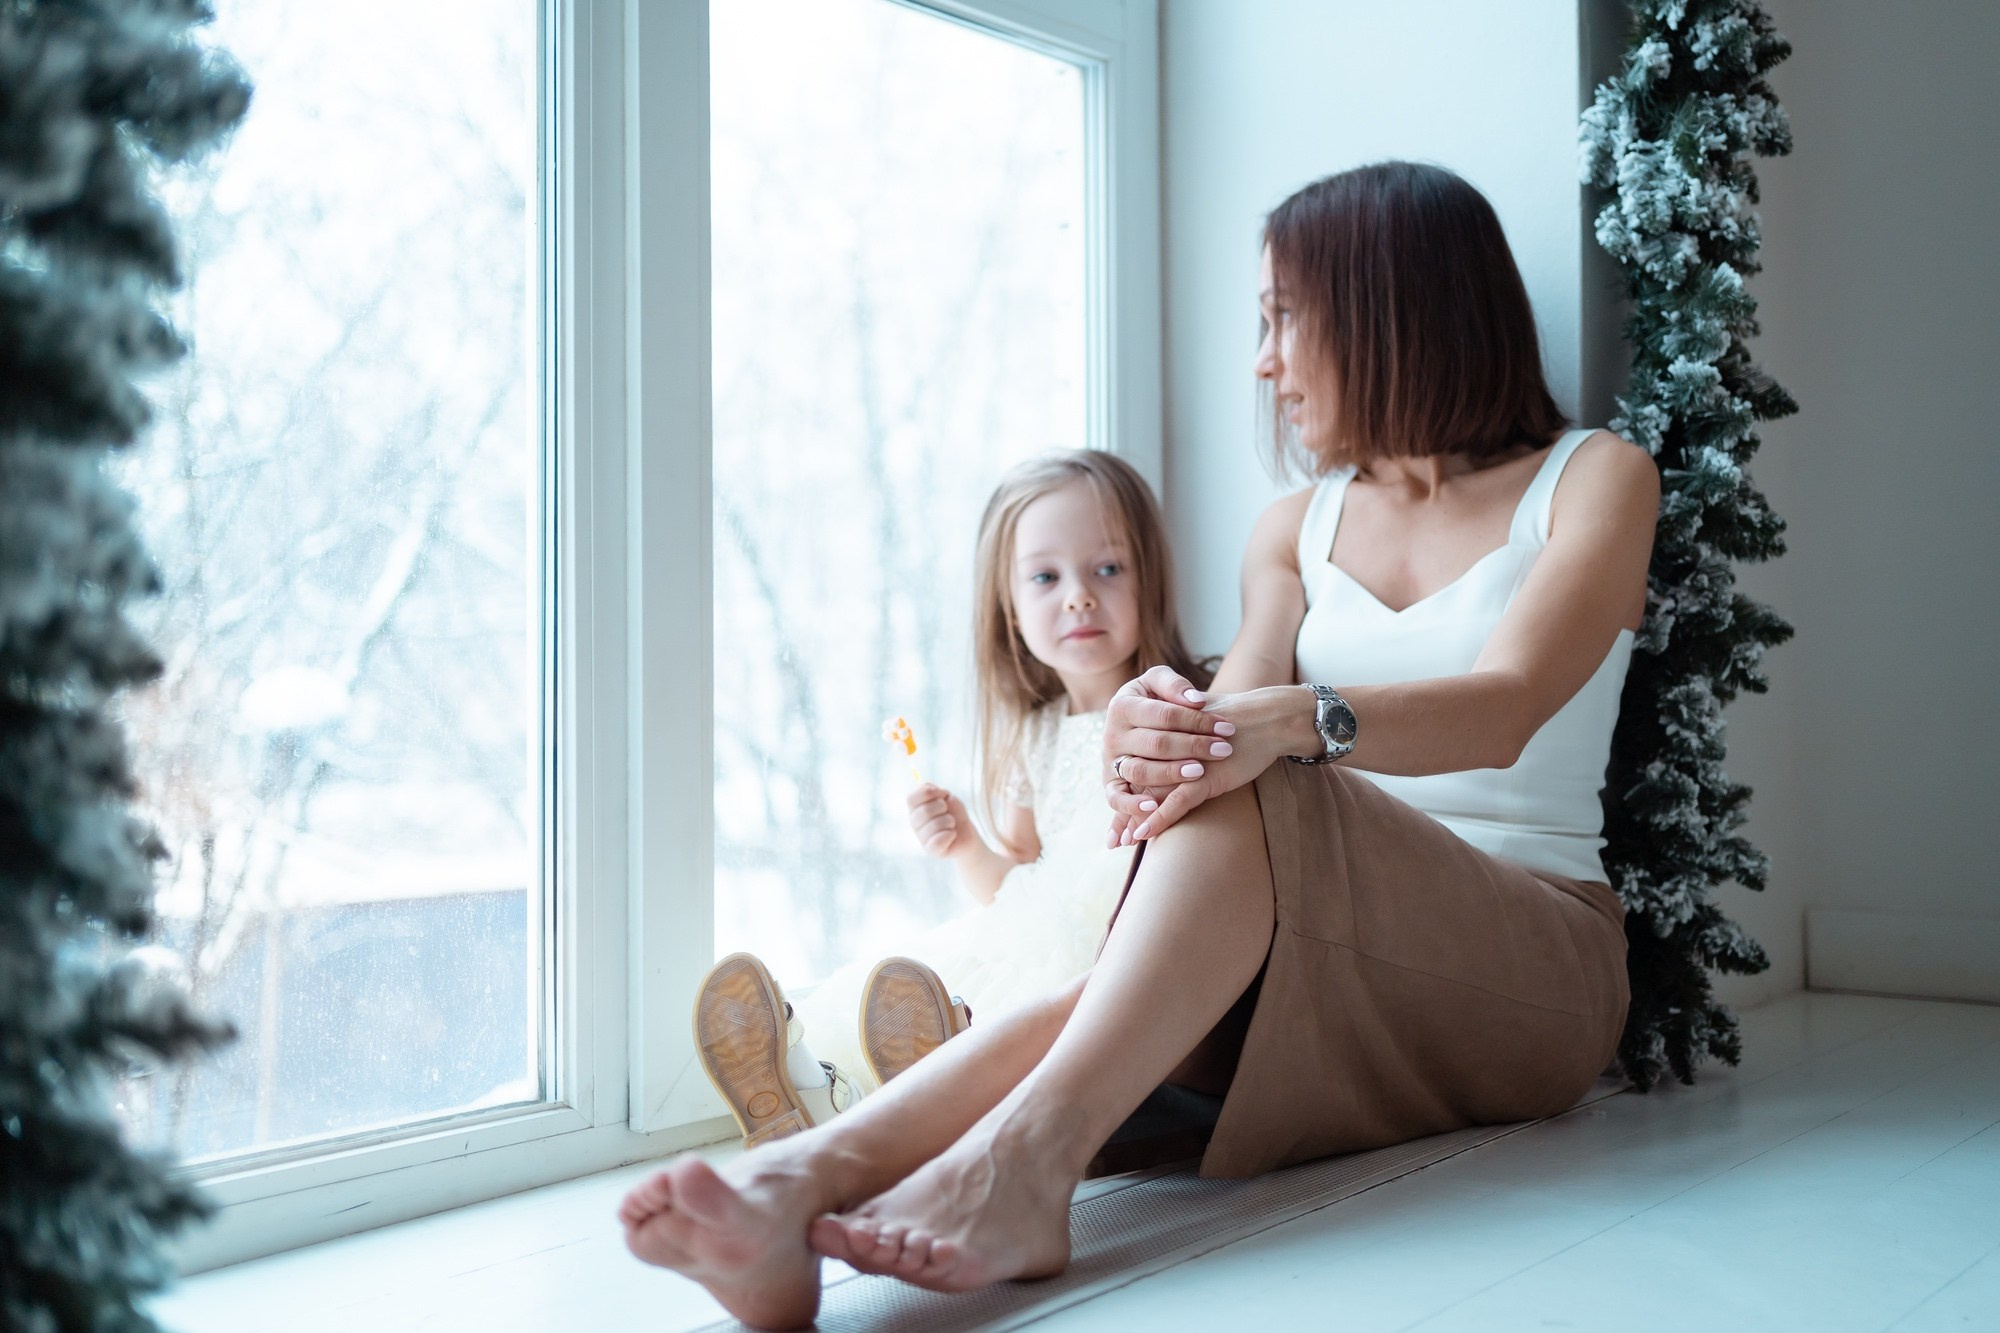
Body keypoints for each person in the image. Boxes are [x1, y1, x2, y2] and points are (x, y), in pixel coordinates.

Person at [618, 161, 1657, 1331]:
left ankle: (1017, 1166)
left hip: (1531, 956)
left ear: (1381, 304)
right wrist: (1148, 733)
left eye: (1279, 317)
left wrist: (1288, 721)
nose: (1262, 360)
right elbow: (1230, 735)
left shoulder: (1591, 480)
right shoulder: (1294, 527)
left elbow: (1506, 699)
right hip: (1333, 944)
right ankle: (793, 1186)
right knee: (1209, 780)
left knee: (1255, 763)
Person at [694, 450, 1212, 1149]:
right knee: (902, 990)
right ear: (1010, 606)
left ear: (1151, 575)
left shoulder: (1177, 707)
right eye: (1045, 576)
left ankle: (904, 1104)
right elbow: (1018, 885)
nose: (1079, 595)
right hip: (1029, 936)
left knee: (987, 1022)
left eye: (1108, 569)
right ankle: (799, 1094)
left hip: (1118, 944)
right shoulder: (1036, 734)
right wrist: (967, 846)